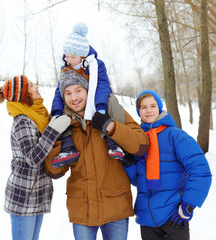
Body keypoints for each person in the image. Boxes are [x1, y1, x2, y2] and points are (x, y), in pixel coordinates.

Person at [44, 70, 149, 240]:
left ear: (87, 90)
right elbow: (54, 171)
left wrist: (112, 127)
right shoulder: (63, 123)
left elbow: (141, 144)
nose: (74, 97)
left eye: (78, 90)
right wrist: (54, 138)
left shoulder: (111, 112)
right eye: (68, 93)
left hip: (115, 205)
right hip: (82, 208)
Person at [0, 76, 71, 240]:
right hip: (24, 194)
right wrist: (52, 130)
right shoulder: (23, 121)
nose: (37, 87)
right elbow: (33, 158)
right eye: (32, 86)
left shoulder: (37, 115)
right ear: (24, 95)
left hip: (37, 192)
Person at [123, 90, 212, 240]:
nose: (149, 110)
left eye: (152, 105)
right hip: (147, 218)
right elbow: (138, 181)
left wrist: (188, 205)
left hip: (174, 217)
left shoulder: (176, 136)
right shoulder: (138, 140)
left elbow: (200, 171)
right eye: (143, 107)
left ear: (159, 107)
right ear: (138, 111)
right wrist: (129, 162)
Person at [50, 22, 125, 168]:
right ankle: (67, 146)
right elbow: (60, 91)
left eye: (72, 57)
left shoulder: (96, 65)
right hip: (77, 99)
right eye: (66, 56)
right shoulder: (66, 67)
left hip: (98, 95)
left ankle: (113, 142)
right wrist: (56, 111)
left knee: (112, 102)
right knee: (61, 113)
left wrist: (101, 107)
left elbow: (103, 86)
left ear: (82, 56)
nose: (68, 60)